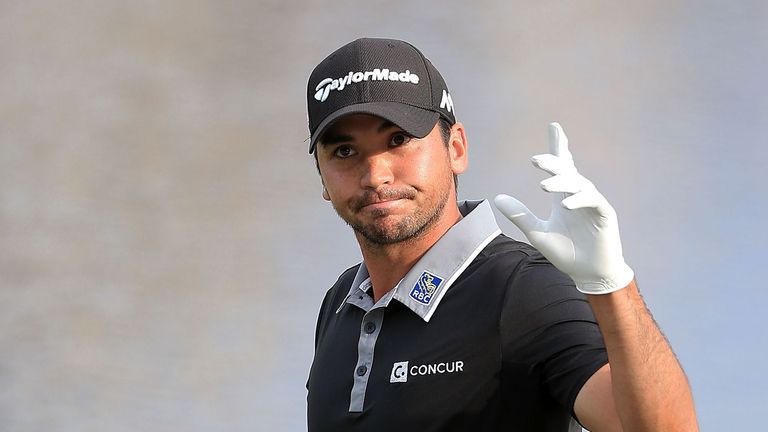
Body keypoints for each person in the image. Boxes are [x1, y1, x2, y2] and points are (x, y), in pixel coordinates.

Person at [304, 38, 698, 432]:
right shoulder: (341, 303)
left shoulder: (524, 289)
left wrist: (612, 286)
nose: (376, 176)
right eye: (344, 152)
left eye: (398, 140)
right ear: (322, 177)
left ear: (456, 148)